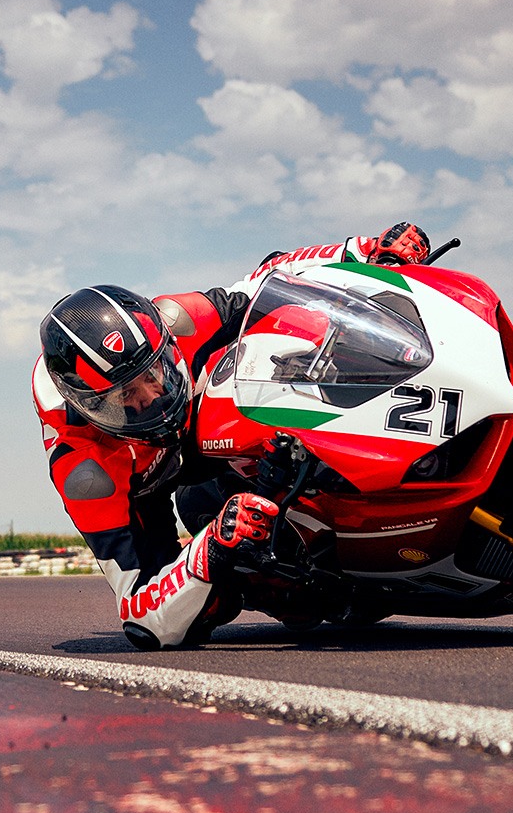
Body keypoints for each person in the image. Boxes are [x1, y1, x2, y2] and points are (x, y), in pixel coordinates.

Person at [31, 223, 433, 649]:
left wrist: (366, 250)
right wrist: (213, 546)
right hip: (144, 484)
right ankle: (293, 581)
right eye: (126, 395)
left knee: (284, 330)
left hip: (204, 429)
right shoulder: (86, 470)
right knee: (202, 611)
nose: (153, 395)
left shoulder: (178, 318)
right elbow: (140, 614)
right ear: (88, 406)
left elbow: (271, 276)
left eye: (155, 372)